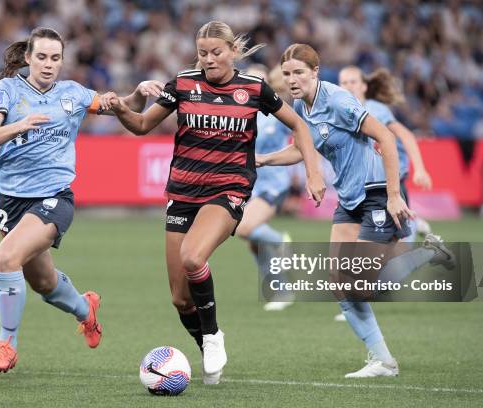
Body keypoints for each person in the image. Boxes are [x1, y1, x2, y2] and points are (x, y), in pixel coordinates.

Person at [103, 21, 325, 384]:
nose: (208, 59)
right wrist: (119, 108)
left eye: (216, 52)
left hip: (229, 190)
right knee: (180, 298)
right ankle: (207, 346)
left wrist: (313, 174)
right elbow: (142, 125)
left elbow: (300, 127)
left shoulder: (254, 88)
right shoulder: (183, 84)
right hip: (182, 193)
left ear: (232, 52)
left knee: (193, 256)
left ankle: (213, 335)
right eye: (203, 53)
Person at [257, 43, 455, 378]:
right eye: (287, 73)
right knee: (339, 283)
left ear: (315, 72)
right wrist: (263, 159)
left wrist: (394, 195)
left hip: (376, 194)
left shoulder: (337, 100)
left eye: (299, 73)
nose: (292, 80)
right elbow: (301, 149)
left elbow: (387, 139)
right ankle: (383, 362)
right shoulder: (301, 108)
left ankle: (426, 253)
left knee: (359, 283)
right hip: (348, 201)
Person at [0, 27, 163, 373]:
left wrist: (136, 94)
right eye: (42, 57)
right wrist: (19, 126)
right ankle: (85, 309)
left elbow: (123, 108)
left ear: (63, 61)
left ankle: (7, 344)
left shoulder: (74, 94)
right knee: (44, 284)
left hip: (53, 197)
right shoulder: (9, 90)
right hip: (10, 201)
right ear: (28, 58)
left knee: (7, 257)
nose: (49, 65)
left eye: (56, 58)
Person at [338, 66, 433, 242]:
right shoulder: (342, 112)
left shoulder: (375, 109)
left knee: (395, 248)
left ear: (364, 86)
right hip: (367, 182)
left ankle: (413, 226)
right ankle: (413, 223)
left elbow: (406, 135)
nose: (349, 86)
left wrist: (419, 169)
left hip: (391, 179)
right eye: (344, 82)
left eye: (353, 82)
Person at [234, 64, 294, 312]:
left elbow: (302, 130)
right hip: (247, 184)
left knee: (244, 227)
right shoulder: (237, 112)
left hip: (274, 182)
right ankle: (281, 290)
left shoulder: (276, 110)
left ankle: (281, 241)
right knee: (252, 241)